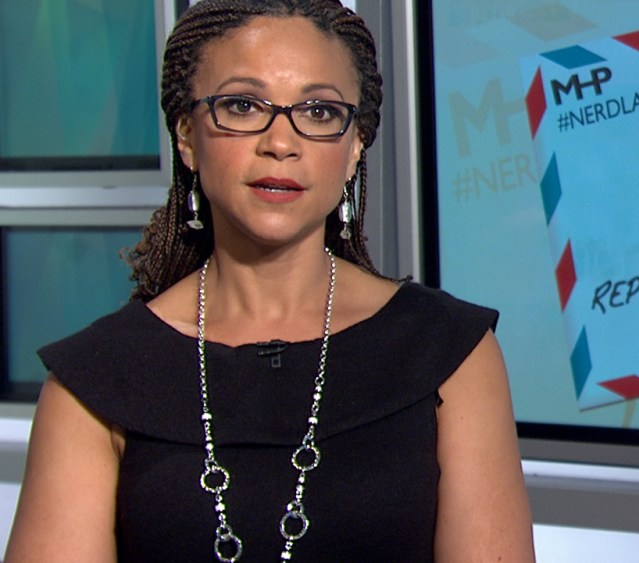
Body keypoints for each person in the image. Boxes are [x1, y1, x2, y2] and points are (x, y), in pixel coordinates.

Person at [4, 1, 535, 561]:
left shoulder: (451, 353)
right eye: (242, 105)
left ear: (354, 146)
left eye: (319, 111)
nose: (281, 142)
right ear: (186, 135)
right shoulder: (93, 381)